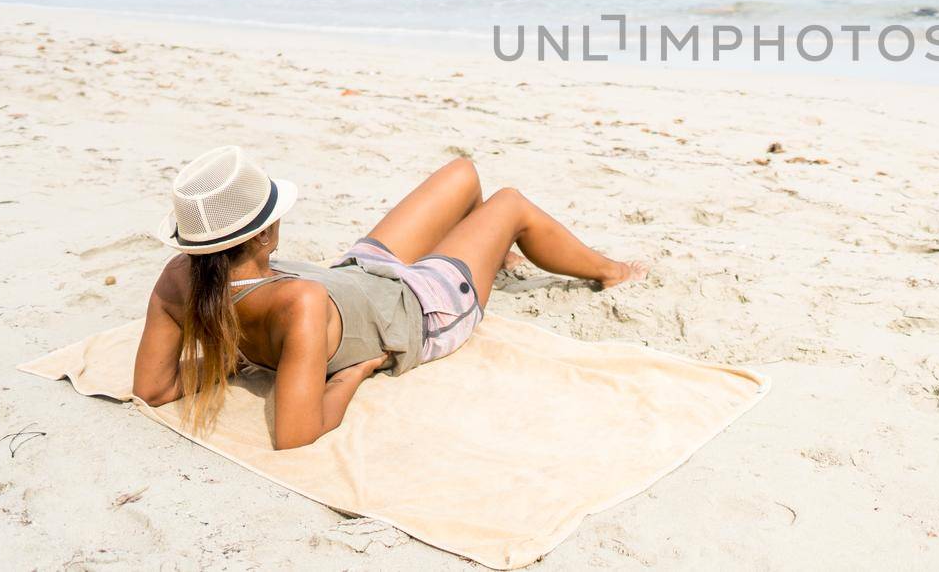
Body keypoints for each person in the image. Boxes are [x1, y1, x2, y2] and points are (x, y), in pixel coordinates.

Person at [133, 145, 648, 449]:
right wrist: (355, 372)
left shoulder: (181, 277)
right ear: (264, 235)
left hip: (358, 274)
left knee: (463, 172)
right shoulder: (298, 306)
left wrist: (227, 359)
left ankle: (495, 254)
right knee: (510, 203)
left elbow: (153, 388)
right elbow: (295, 434)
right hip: (422, 309)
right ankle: (609, 271)